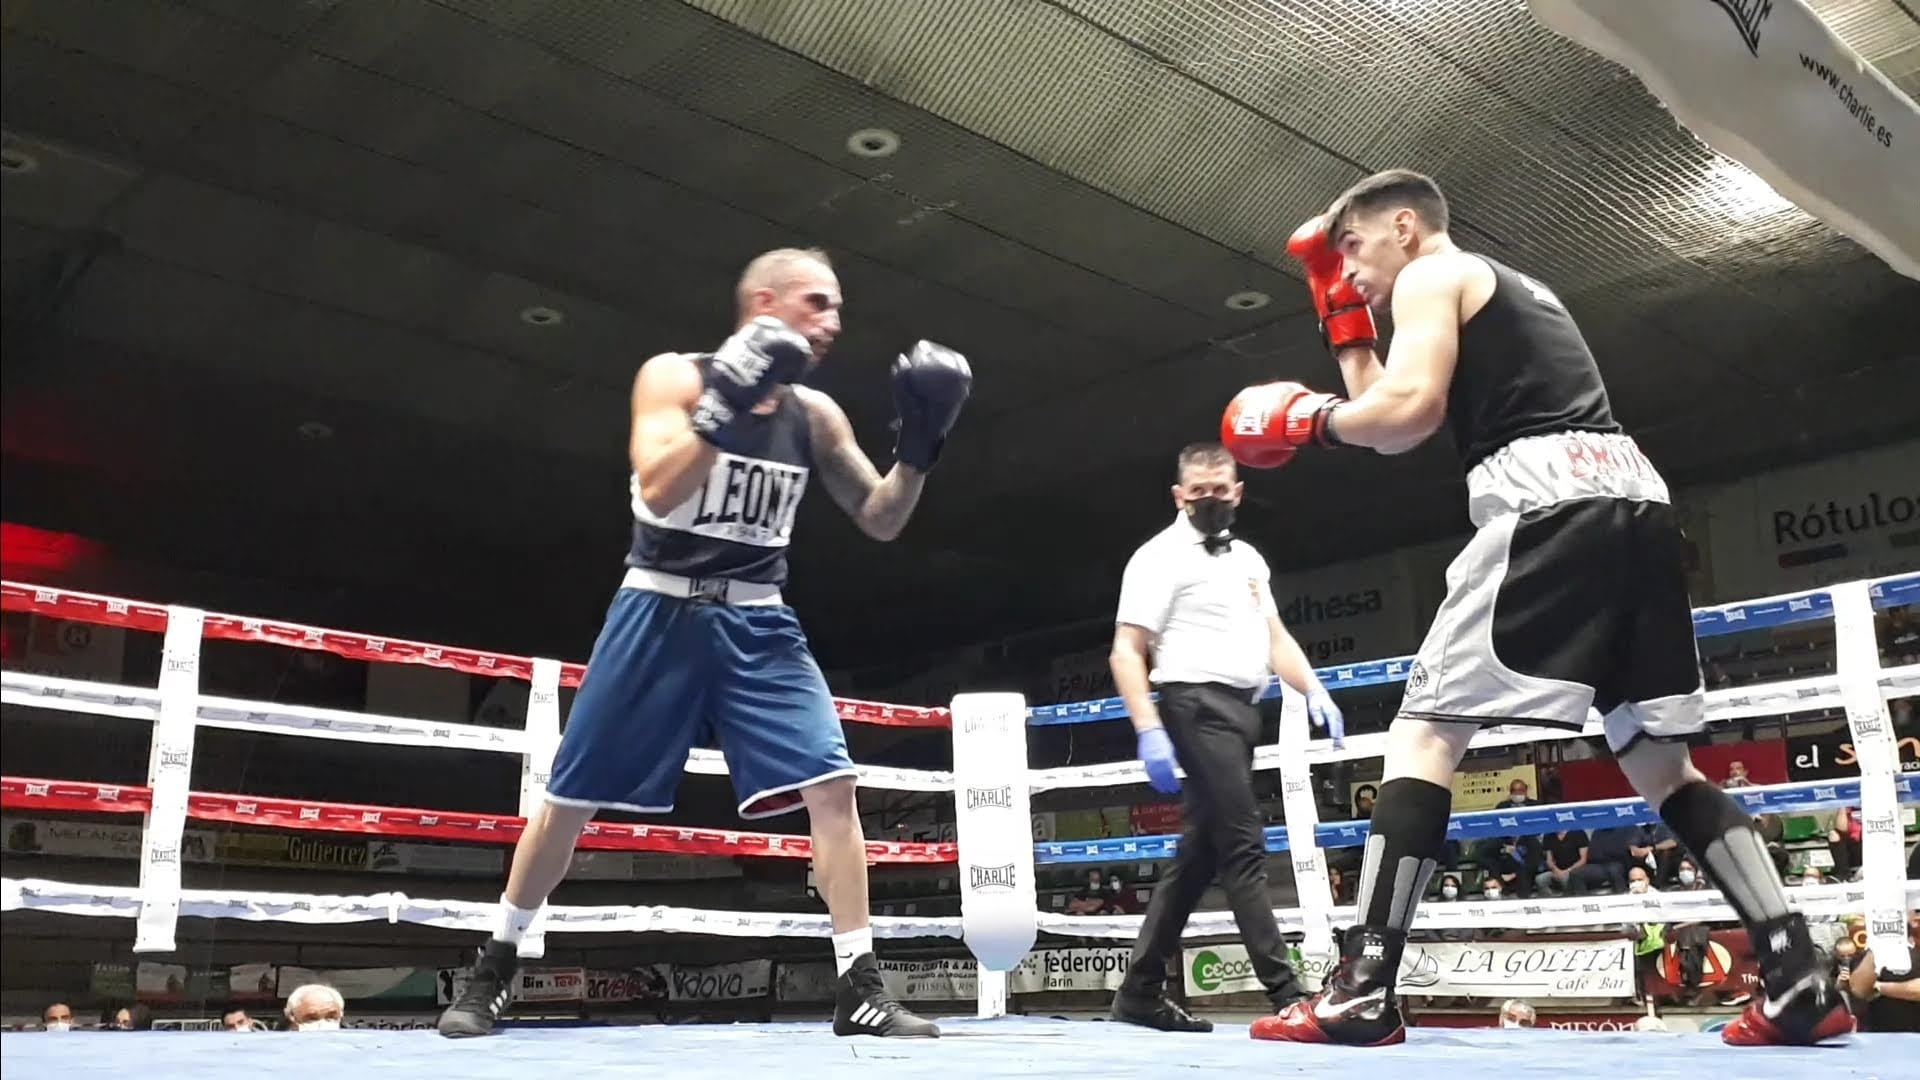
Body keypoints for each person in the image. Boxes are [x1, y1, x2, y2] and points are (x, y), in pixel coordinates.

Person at [1221, 170, 1850, 1048]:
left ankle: (1363, 986)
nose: (1349, 266)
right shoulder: (1504, 289)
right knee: (1660, 764)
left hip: (1547, 503)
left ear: (1405, 226)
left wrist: (1307, 420)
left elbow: (1397, 415)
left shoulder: (1435, 274)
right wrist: (1340, 321)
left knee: (1426, 732)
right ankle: (1799, 976)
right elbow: (1392, 418)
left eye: (1353, 247)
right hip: (1634, 501)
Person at [436, 248, 971, 1041]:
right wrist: (727, 402)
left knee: (833, 786)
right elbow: (657, 486)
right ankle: (495, 969)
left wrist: (921, 446)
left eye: (837, 310)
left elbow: (882, 517)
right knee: (569, 800)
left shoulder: (815, 415)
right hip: (656, 609)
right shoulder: (673, 377)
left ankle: (859, 986)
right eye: (818, 305)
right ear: (765, 304)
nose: (833, 325)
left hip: (759, 617)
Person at [1105, 442, 1345, 1031]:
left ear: (1238, 492)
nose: (1210, 499)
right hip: (1194, 705)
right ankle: (1287, 995)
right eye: (1199, 490)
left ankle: (1138, 993)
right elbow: (1126, 650)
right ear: (1179, 495)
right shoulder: (1157, 558)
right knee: (1242, 844)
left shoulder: (1250, 560)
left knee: (1197, 856)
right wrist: (1149, 728)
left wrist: (1315, 689)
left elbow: (1275, 637)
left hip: (1242, 711)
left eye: (1221, 489)